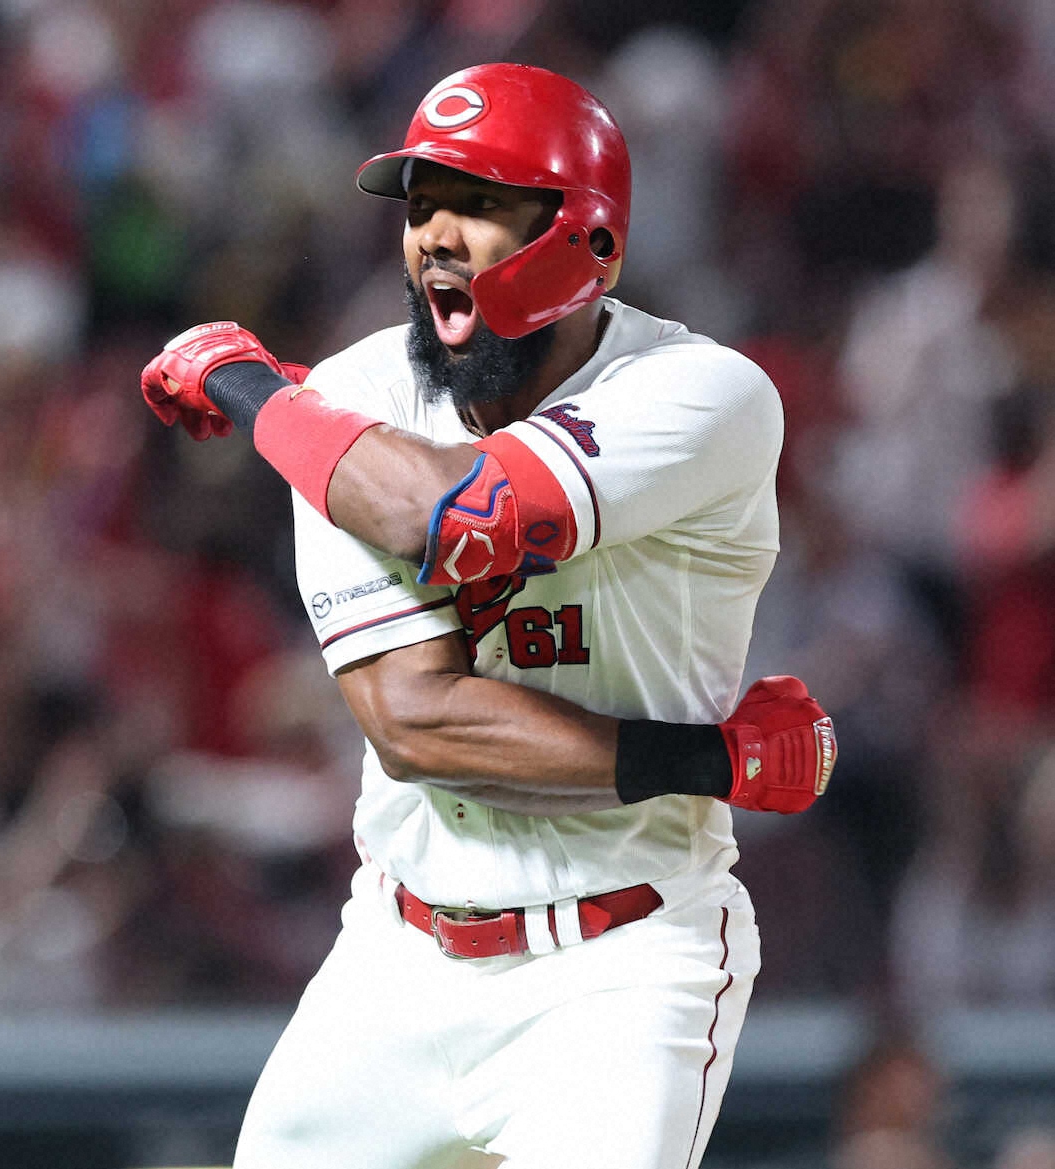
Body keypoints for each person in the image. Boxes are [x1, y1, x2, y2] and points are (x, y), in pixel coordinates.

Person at [139, 63, 837, 1169]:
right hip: (394, 957)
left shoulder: (702, 393)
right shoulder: (351, 405)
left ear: (589, 239)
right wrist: (706, 759)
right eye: (420, 204)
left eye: (478, 201)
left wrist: (256, 393)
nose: (435, 235)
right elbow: (418, 724)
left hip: (623, 962)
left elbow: (457, 517)